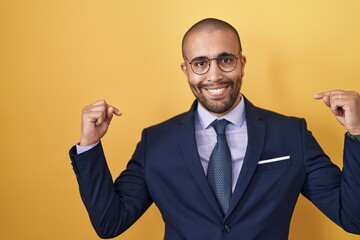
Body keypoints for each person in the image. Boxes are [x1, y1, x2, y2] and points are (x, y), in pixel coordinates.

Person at [69, 18, 360, 239]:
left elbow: (353, 217)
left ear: (241, 63)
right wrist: (90, 145)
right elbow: (110, 223)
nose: (215, 75)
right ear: (185, 70)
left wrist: (357, 133)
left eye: (225, 60)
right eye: (200, 63)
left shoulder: (291, 134)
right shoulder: (154, 142)